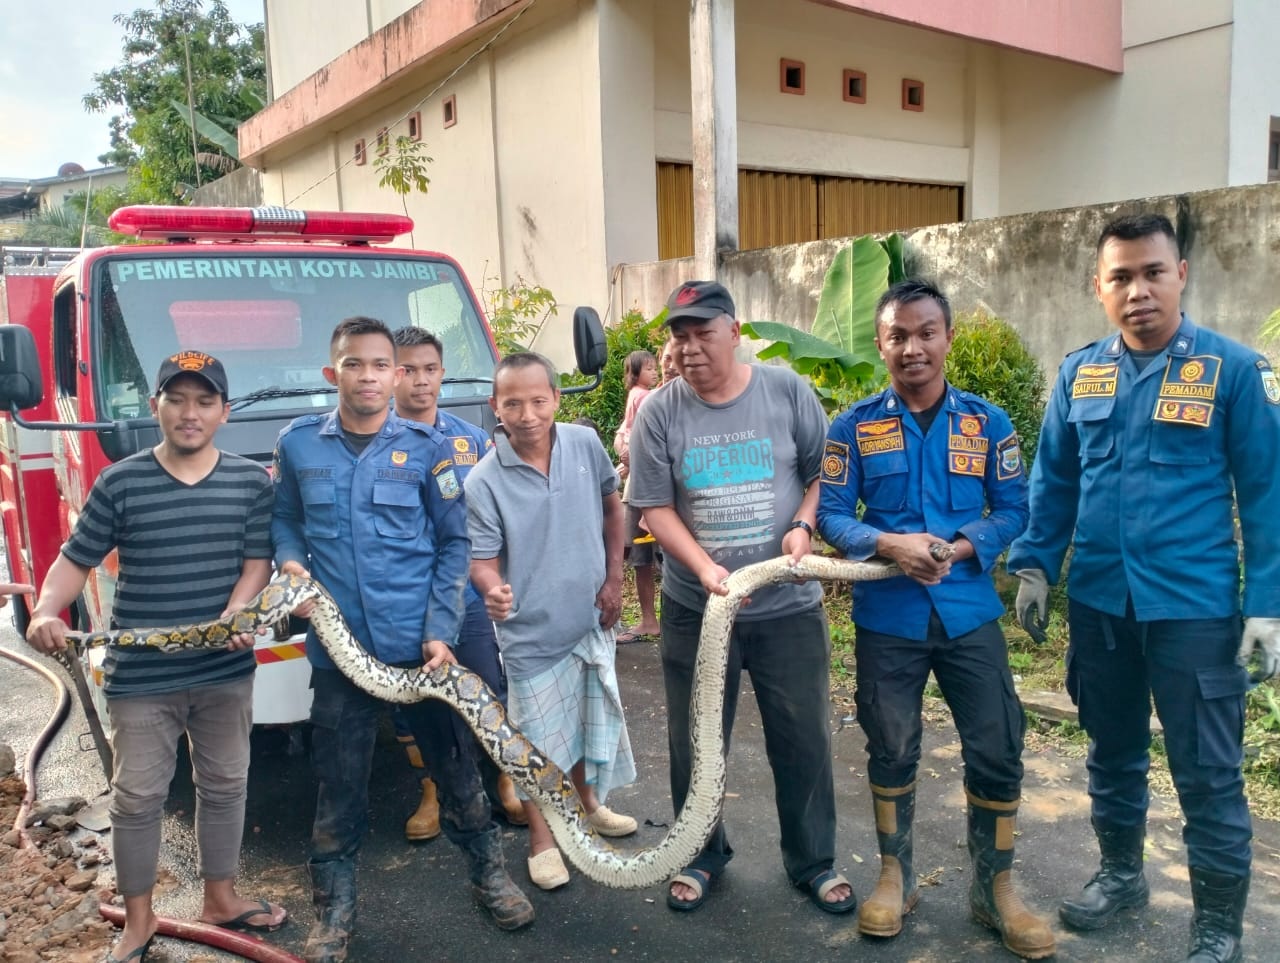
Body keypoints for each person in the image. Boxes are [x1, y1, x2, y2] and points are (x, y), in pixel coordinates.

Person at [1007, 213, 1280, 963]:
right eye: (1120, 276)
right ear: (1100, 287)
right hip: (1100, 602)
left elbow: (1266, 496)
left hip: (1193, 609)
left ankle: (1217, 922)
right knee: (1112, 750)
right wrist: (1036, 562)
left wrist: (1267, 606)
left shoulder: (1232, 371)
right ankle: (1123, 875)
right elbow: (1054, 481)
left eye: (1153, 272)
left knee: (1208, 771)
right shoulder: (1079, 373)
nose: (1138, 291)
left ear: (1181, 275)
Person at [272, 317, 533, 962]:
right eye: (353, 364)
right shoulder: (299, 446)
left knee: (457, 769)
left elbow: (454, 546)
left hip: (423, 651)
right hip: (343, 655)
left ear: (396, 373)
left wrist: (442, 632)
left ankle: (488, 876)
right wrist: (289, 562)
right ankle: (333, 912)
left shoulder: (426, 448)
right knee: (340, 782)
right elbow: (284, 519)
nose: (368, 376)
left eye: (380, 365)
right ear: (333, 373)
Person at [816, 279, 1054, 958]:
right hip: (888, 614)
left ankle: (995, 887)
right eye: (898, 335)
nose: (912, 347)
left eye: (926, 332)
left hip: (968, 609)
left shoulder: (989, 423)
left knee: (997, 741)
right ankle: (897, 872)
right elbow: (832, 511)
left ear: (948, 337)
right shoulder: (854, 426)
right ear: (881, 344)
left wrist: (964, 544)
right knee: (890, 743)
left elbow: (1014, 507)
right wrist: (888, 542)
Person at [24, 351, 285, 963]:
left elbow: (256, 565)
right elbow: (75, 558)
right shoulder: (121, 481)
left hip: (223, 670)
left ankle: (220, 898)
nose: (190, 413)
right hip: (142, 675)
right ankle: (138, 922)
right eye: (177, 399)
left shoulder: (251, 482)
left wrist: (234, 616)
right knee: (138, 797)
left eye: (204, 401)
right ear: (155, 407)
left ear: (223, 411)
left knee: (225, 785)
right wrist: (44, 611)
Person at [627, 280, 854, 915]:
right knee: (694, 742)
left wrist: (804, 526)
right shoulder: (660, 412)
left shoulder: (786, 390)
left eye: (704, 333)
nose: (691, 348)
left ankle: (814, 861)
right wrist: (703, 568)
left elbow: (822, 474)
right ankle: (699, 857)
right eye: (680, 336)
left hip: (789, 610)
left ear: (734, 331)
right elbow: (652, 504)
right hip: (696, 611)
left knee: (803, 737)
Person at [464, 351, 638, 891]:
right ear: (496, 406)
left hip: (589, 621)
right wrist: (493, 591)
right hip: (531, 634)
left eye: (539, 400)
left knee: (589, 722)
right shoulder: (483, 480)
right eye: (512, 402)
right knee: (536, 745)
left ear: (557, 399)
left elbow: (614, 510)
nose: (527, 413)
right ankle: (543, 840)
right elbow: (481, 562)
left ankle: (587, 806)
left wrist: (614, 579)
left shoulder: (585, 444)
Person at [388, 326, 527, 837]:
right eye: (407, 370)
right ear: (390, 373)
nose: (420, 382)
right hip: (404, 599)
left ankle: (504, 781)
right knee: (413, 701)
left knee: (488, 687)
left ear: (443, 373)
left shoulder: (472, 441)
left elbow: (505, 513)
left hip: (467, 596)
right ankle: (432, 789)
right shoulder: (379, 445)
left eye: (430, 369)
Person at [613, 349, 661, 642]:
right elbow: (628, 440)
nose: (656, 372)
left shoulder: (639, 397)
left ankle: (647, 619)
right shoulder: (645, 397)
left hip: (643, 487)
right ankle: (646, 619)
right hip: (640, 489)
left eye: (658, 367)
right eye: (651, 368)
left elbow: (625, 439)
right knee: (637, 554)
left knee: (635, 555)